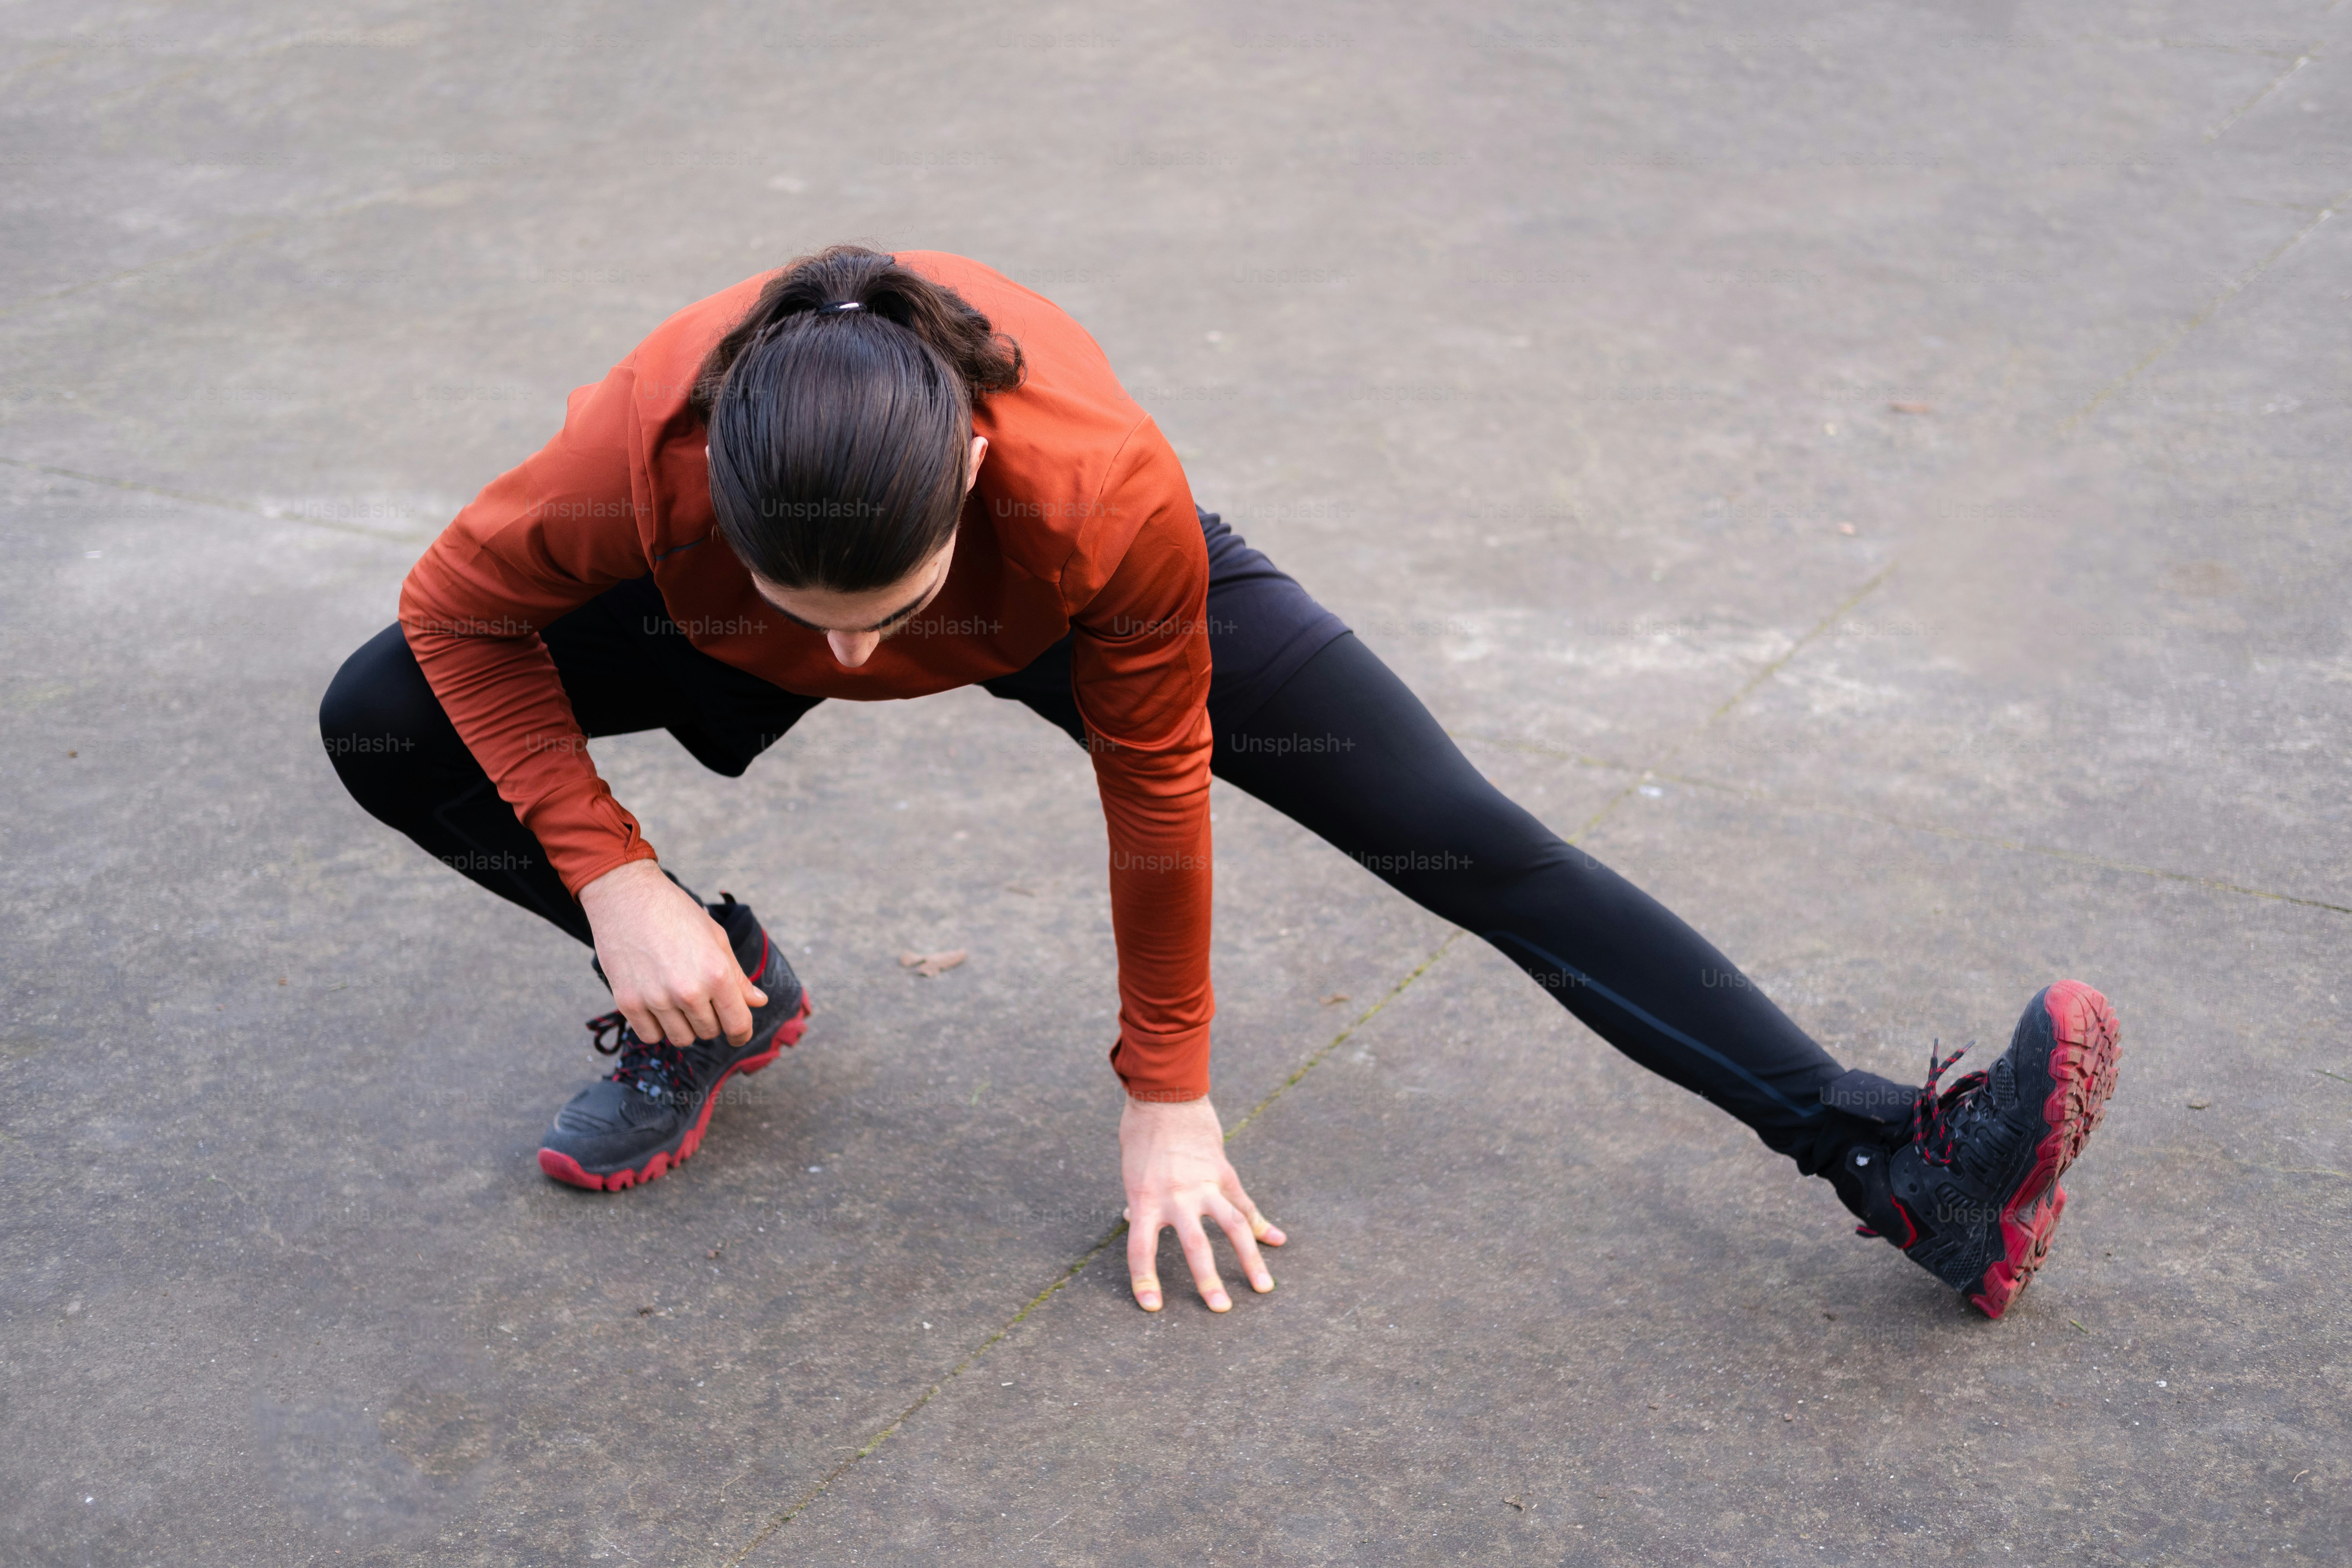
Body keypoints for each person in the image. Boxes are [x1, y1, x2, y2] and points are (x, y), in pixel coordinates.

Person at [320, 246, 2122, 1322]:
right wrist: (616, 873)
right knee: (383, 714)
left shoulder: (1097, 494)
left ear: (966, 462)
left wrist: (1165, 1089)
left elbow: (1156, 795)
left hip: (1068, 595)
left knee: (1461, 835)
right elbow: (453, 618)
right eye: (820, 629)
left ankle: (1898, 1160)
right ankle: (716, 989)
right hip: (743, 601)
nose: (862, 671)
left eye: (891, 621)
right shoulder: (625, 467)